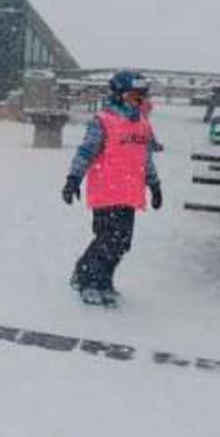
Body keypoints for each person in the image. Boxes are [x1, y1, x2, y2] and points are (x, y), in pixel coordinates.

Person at [62, 70, 162, 306]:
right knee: (107, 239)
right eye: (132, 97)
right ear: (118, 96)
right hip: (106, 192)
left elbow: (145, 159)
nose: (138, 103)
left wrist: (155, 186)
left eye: (141, 97)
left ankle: (104, 279)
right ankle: (87, 279)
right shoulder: (103, 121)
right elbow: (86, 152)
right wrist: (73, 179)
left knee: (122, 242)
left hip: (129, 194)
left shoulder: (143, 125)